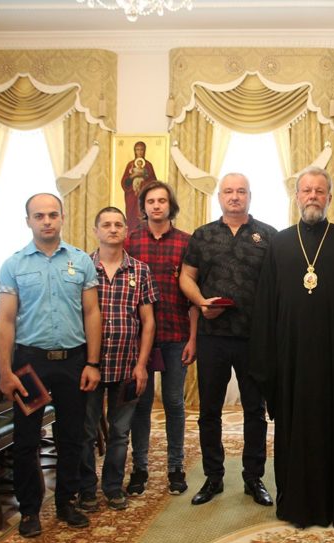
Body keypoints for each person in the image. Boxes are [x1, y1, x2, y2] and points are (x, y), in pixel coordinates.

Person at [249, 166, 334, 528]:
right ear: (296, 197)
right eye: (306, 190)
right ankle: (294, 503)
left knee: (333, 427)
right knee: (293, 428)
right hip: (290, 358)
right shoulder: (280, 243)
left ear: (330, 197)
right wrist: (267, 358)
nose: (312, 197)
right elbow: (266, 304)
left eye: (319, 191)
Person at [0, 193, 102, 538]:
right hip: (30, 365)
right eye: (39, 215)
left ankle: (66, 503)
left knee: (72, 437)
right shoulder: (14, 265)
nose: (46, 221)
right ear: (28, 221)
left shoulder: (81, 261)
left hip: (73, 362)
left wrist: (92, 363)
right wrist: (6, 372)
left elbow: (92, 313)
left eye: (53, 215)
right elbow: (5, 322)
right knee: (26, 440)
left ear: (62, 218)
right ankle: (29, 510)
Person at [179, 173, 276, 507]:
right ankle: (213, 477)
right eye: (228, 191)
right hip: (212, 337)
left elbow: (278, 285)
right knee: (209, 410)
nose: (235, 196)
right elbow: (186, 277)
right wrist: (202, 302)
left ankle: (254, 478)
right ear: (219, 196)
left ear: (250, 195)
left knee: (255, 410)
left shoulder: (269, 236)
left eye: (241, 191)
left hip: (255, 339)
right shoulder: (203, 235)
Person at [77, 207, 158, 513]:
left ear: (126, 231)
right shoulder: (81, 268)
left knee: (120, 432)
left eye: (118, 224)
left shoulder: (140, 271)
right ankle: (86, 489)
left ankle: (112, 487)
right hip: (90, 367)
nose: (112, 229)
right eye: (106, 224)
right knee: (86, 432)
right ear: (96, 231)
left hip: (126, 366)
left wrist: (141, 365)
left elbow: (148, 322)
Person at [124, 181, 195, 496]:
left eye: (162, 201)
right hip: (139, 339)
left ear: (171, 206)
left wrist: (194, 339)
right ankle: (139, 468)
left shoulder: (186, 242)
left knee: (174, 402)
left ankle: (175, 467)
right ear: (143, 206)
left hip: (176, 334)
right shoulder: (130, 241)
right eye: (151, 201)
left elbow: (193, 297)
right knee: (140, 404)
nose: (156, 206)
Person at [121, 141, 156, 232]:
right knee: (131, 216)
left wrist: (144, 180)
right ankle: (131, 233)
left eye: (141, 150)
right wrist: (132, 176)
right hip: (132, 196)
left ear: (144, 151)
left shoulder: (148, 166)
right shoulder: (130, 165)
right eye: (137, 150)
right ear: (135, 151)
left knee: (143, 215)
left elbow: (154, 183)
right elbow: (124, 182)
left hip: (144, 196)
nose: (139, 152)